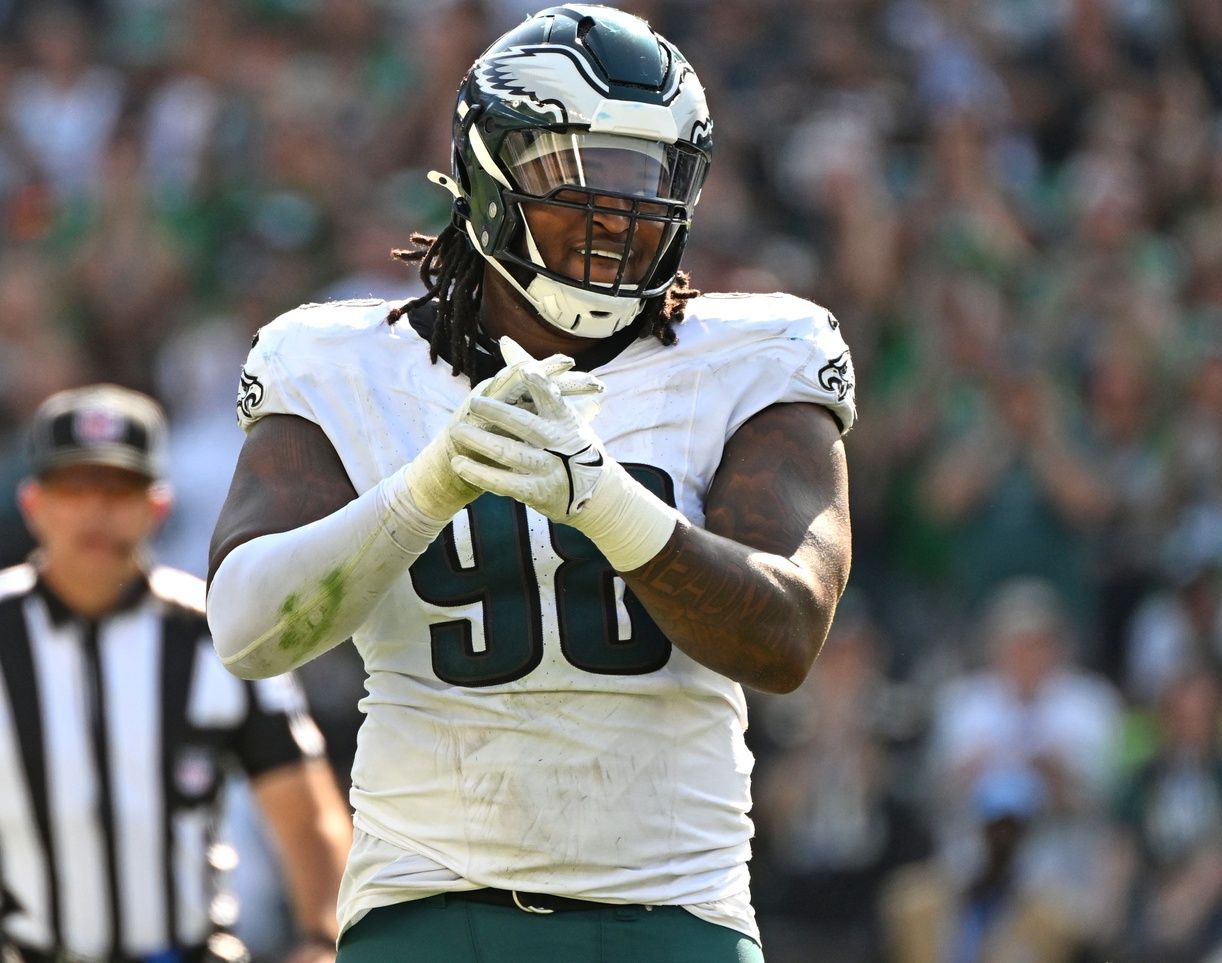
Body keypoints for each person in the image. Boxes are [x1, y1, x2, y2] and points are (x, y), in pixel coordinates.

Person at [205, 5, 855, 962]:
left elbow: (784, 633)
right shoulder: (341, 361)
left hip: (669, 910)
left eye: (648, 178)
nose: (618, 212)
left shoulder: (755, 354)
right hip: (428, 901)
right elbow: (248, 632)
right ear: (490, 176)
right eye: (579, 174)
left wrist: (603, 501)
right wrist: (424, 491)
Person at [0, 384, 352, 961]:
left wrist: (321, 938)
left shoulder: (218, 635)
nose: (95, 510)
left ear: (157, 506)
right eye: (74, 487)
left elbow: (305, 812)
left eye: (118, 489)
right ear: (33, 502)